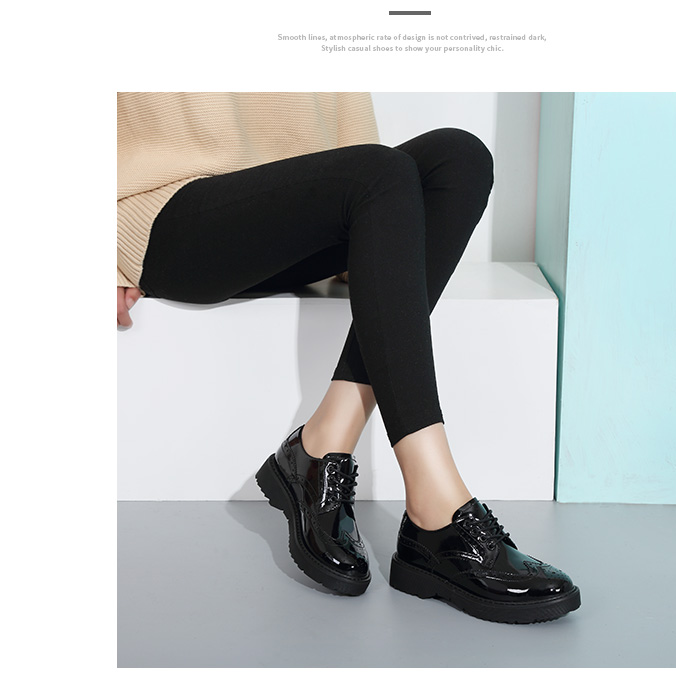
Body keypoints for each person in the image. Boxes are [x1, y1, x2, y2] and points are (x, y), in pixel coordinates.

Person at [117, 92, 581, 624]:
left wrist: (376, 229)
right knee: (379, 173)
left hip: (284, 217)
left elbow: (350, 133)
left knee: (458, 157)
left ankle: (322, 443)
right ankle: (434, 504)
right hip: (169, 219)